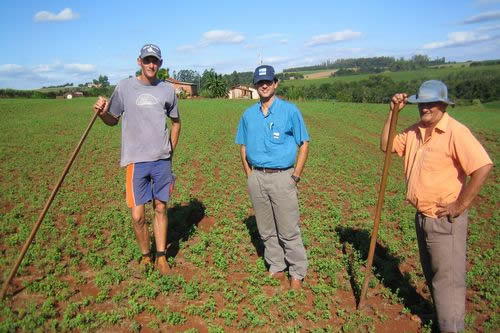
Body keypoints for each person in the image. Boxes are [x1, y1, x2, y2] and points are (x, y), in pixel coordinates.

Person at [380, 80, 493, 332]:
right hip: (422, 217)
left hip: (445, 220)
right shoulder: (414, 132)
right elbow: (387, 146)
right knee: (434, 278)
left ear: (443, 104)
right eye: (421, 104)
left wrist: (459, 204)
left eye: (431, 103)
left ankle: (450, 328)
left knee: (448, 284)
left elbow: (483, 166)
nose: (425, 108)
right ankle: (443, 323)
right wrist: (392, 113)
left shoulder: (455, 132)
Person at [93, 44, 181, 275]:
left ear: (160, 64)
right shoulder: (124, 87)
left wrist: (170, 149)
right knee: (137, 215)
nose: (152, 64)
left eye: (156, 61)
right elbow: (113, 120)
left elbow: (176, 122)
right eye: (147, 60)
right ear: (139, 61)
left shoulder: (167, 90)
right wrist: (102, 113)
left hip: (161, 160)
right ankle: (145, 255)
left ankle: (161, 257)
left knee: (161, 208)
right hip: (135, 161)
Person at [235, 65, 309, 290]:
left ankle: (297, 272)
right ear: (256, 86)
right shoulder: (248, 115)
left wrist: (295, 176)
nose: (264, 85)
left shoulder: (290, 111)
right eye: (260, 82)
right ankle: (276, 266)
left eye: (268, 81)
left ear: (275, 83)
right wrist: (250, 175)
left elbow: (304, 144)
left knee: (288, 229)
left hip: (282, 177)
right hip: (257, 176)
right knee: (266, 229)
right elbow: (243, 147)